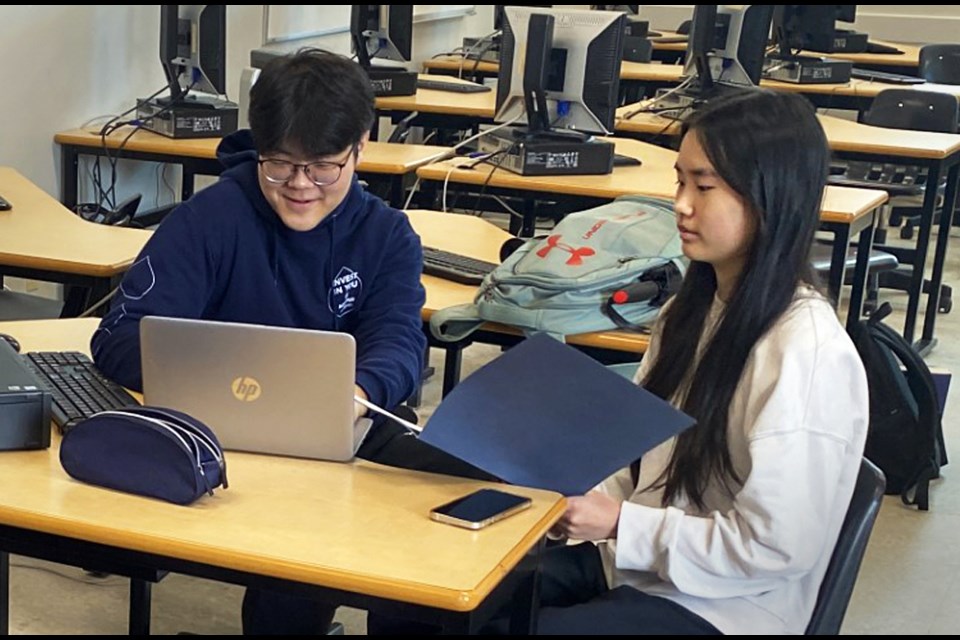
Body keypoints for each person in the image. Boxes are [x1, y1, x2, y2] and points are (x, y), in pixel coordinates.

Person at [91, 48, 491, 635]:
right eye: (279, 164)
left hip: (346, 424)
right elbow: (120, 336)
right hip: (221, 429)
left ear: (360, 145)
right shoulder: (210, 219)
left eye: (323, 167)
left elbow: (400, 342)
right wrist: (201, 376)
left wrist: (358, 392)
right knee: (294, 571)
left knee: (449, 504)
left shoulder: (385, 236)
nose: (299, 185)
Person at [501, 90, 870, 635]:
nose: (681, 203)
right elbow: (640, 458)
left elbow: (776, 547)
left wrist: (623, 523)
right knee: (453, 601)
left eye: (704, 187)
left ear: (769, 198)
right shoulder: (692, 310)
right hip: (637, 565)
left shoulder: (807, 354)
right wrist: (580, 504)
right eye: (680, 181)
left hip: (727, 606)